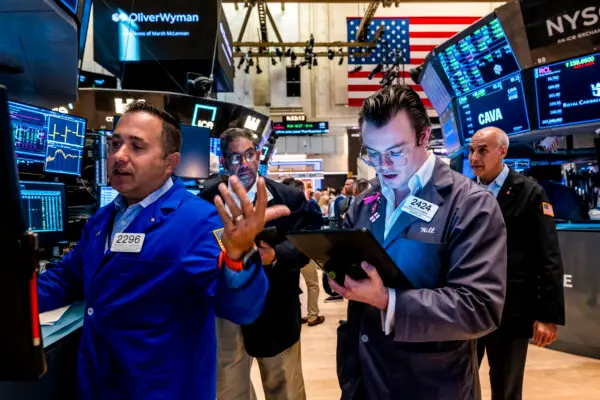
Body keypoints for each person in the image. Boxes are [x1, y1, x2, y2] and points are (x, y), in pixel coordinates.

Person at [36, 102, 289, 399]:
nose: (119, 155)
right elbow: (66, 279)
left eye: (137, 147)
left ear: (170, 163)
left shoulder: (199, 221)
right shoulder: (101, 220)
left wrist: (239, 256)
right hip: (99, 384)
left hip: (160, 390)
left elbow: (241, 308)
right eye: (115, 143)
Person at [329, 85, 508, 399]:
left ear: (424, 137)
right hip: (363, 377)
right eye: (373, 153)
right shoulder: (366, 199)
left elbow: (480, 306)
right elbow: (340, 262)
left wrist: (389, 300)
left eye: (395, 152)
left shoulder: (469, 204)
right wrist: (334, 276)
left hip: (429, 381)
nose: (383, 165)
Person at [200, 128, 322, 400]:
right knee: (229, 390)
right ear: (223, 162)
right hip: (225, 315)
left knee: (285, 389)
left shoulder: (288, 198)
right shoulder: (208, 199)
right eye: (235, 157)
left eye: (249, 154)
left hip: (276, 310)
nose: (243, 164)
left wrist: (274, 256)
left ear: (258, 157)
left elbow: (304, 246)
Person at [469, 127, 565, 400]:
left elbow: (549, 256)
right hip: (467, 308)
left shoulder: (530, 193)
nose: (474, 157)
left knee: (507, 390)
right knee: (459, 384)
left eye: (482, 150)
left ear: (503, 151)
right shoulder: (463, 192)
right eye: (472, 150)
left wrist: (548, 316)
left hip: (511, 311)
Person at [284, 179, 326, 327]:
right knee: (312, 284)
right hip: (305, 251)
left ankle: (299, 315)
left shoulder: (279, 207)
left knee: (292, 284)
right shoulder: (310, 206)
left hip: (283, 253)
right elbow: (316, 228)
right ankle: (312, 315)